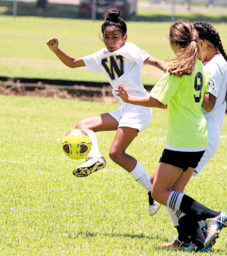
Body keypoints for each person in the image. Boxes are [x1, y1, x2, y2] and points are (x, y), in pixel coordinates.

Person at [116, 21, 227, 252]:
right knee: (174, 194)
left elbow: (158, 101)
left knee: (158, 191)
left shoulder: (179, 68)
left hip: (182, 140)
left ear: (172, 42)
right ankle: (196, 242)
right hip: (198, 138)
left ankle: (213, 216)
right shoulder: (198, 65)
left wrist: (128, 99)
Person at [46, 9, 165, 216]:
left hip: (139, 107)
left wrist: (169, 69)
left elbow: (154, 61)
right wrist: (56, 50)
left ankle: (154, 192)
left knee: (116, 154)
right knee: (83, 126)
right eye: (107, 37)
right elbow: (73, 63)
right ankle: (94, 158)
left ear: (124, 38)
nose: (110, 42)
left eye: (115, 37)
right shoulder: (101, 56)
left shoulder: (131, 49)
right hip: (124, 109)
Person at [160, 21, 227, 249]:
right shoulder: (215, 63)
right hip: (199, 134)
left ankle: (205, 223)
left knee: (164, 190)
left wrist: (184, 91)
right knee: (168, 190)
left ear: (200, 43)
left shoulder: (212, 66)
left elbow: (208, 103)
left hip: (200, 134)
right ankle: (192, 239)